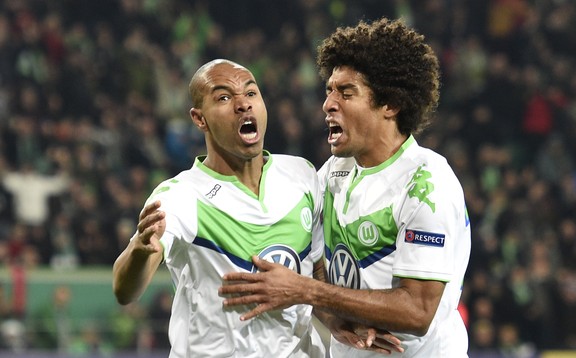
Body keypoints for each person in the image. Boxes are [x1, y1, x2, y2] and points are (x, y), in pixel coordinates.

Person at [219, 18, 472, 357]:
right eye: (329, 91)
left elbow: (417, 311)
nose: (328, 104)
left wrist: (306, 292)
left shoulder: (426, 185)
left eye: (346, 93)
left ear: (390, 104)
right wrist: (331, 315)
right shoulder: (333, 173)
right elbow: (317, 265)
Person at [112, 59, 328, 357]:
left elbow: (319, 276)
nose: (243, 104)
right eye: (224, 98)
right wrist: (140, 250)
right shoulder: (181, 195)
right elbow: (125, 291)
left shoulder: (302, 175)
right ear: (199, 119)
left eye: (251, 93)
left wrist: (349, 324)